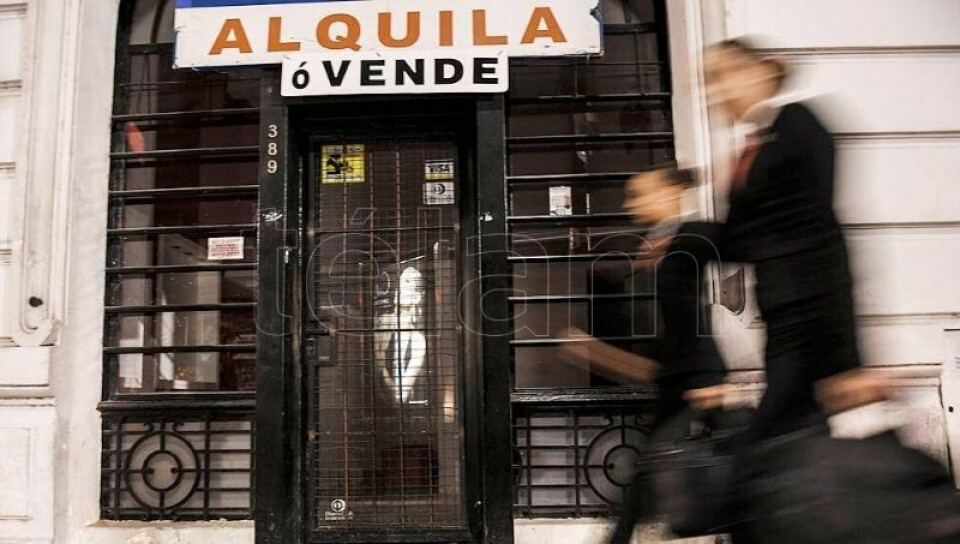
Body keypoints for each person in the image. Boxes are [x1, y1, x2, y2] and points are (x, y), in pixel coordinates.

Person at [561, 167, 732, 544]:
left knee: (735, 457)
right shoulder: (664, 242)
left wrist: (709, 379)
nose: (630, 204)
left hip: (697, 374)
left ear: (670, 193)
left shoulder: (690, 235)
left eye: (639, 194)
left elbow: (742, 243)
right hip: (681, 372)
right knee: (651, 465)